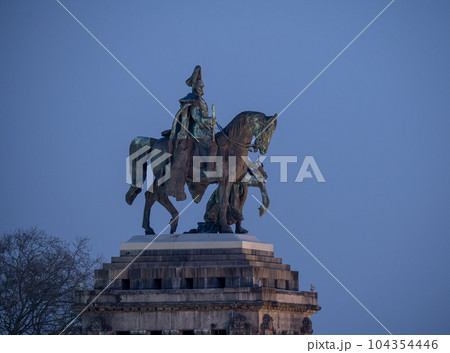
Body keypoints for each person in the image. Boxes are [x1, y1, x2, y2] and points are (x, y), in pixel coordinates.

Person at [165, 65, 217, 201]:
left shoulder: (201, 100)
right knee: (212, 146)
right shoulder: (194, 101)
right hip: (197, 132)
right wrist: (209, 120)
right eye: (200, 87)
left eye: (203, 87)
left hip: (204, 130)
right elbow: (196, 117)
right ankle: (210, 170)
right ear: (195, 88)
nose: (202, 90)